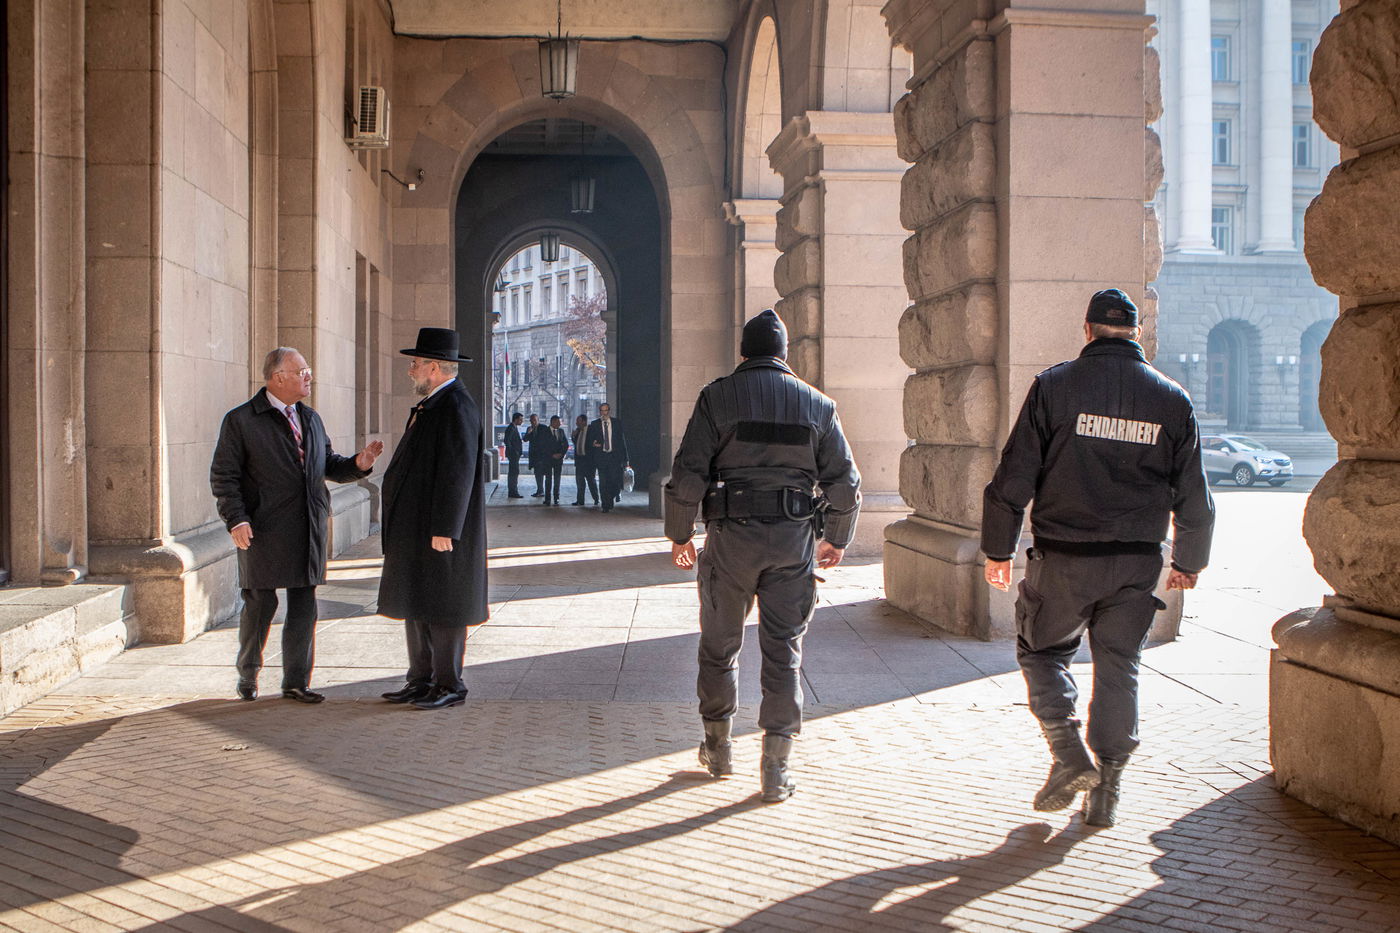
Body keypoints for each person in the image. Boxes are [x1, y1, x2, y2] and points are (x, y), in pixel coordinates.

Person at [981, 288, 1215, 827]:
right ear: (1136, 332)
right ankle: (1106, 791)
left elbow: (1015, 475)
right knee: (1119, 667)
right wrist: (1189, 562)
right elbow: (1194, 493)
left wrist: (997, 548)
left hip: (1065, 557)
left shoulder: (1055, 387)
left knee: (1042, 653)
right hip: (1135, 562)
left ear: (1087, 330)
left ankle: (1067, 756)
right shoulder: (1171, 399)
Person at [664, 309, 861, 802]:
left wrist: (680, 533)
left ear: (743, 353)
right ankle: (776, 769)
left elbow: (689, 471)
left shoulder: (717, 398)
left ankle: (718, 747)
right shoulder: (818, 405)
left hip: (731, 540)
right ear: (784, 354)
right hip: (793, 543)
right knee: (783, 652)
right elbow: (846, 483)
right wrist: (836, 538)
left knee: (719, 644)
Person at [210, 347, 383, 703]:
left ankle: (296, 681)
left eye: (308, 370)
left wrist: (359, 463)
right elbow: (224, 476)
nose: (309, 376)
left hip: (308, 527)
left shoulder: (311, 418)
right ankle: (248, 673)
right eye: (302, 370)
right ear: (278, 378)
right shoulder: (241, 420)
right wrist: (236, 519)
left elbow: (328, 465)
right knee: (260, 604)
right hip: (263, 528)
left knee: (304, 604)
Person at [377, 327, 490, 710]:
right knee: (418, 600)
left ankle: (448, 684)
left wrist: (446, 526)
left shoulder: (456, 406)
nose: (410, 370)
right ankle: (420, 679)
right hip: (417, 527)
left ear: (435, 368)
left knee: (444, 605)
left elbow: (457, 471)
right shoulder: (435, 404)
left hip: (438, 529)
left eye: (416, 363)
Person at [586, 402, 629, 512]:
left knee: (615, 481)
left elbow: (621, 441)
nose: (604, 413)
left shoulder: (617, 423)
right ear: (599, 412)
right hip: (601, 457)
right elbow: (589, 440)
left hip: (614, 457)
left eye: (605, 410)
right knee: (603, 482)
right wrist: (593, 444)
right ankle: (605, 504)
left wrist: (626, 458)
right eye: (601, 411)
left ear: (609, 411)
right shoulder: (595, 424)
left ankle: (610, 497)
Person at [571, 413, 599, 506]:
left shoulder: (591, 430)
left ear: (584, 421)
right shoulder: (578, 431)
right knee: (579, 482)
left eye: (578, 421)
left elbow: (594, 444)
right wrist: (573, 436)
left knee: (591, 481)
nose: (576, 423)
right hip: (579, 460)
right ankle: (580, 500)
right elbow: (577, 444)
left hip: (589, 461)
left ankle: (596, 499)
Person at [544, 415, 568, 505]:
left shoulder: (561, 431)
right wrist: (551, 455)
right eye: (558, 422)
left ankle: (556, 497)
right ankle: (547, 498)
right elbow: (543, 446)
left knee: (557, 479)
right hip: (548, 459)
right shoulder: (545, 431)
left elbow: (565, 444)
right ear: (553, 422)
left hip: (559, 459)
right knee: (548, 479)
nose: (560, 424)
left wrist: (561, 454)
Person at [525, 413, 547, 497]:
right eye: (531, 420)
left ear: (538, 420)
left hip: (542, 456)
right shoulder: (529, 428)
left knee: (541, 473)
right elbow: (525, 439)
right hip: (534, 456)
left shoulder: (543, 428)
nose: (532, 422)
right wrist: (528, 433)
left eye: (534, 420)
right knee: (537, 473)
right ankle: (540, 490)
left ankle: (541, 490)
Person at [504, 412, 525, 498]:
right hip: (513, 455)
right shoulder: (511, 428)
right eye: (520, 419)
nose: (521, 421)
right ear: (515, 419)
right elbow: (507, 441)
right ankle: (513, 492)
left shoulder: (514, 427)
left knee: (514, 472)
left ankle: (513, 491)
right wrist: (514, 451)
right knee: (514, 473)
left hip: (514, 454)